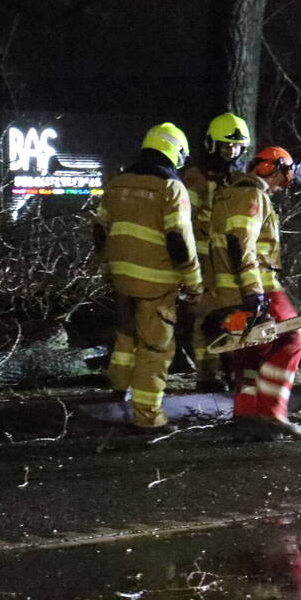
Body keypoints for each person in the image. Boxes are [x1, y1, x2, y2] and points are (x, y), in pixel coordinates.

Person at [95, 122, 203, 433]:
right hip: (156, 281)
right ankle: (147, 416)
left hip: (121, 276)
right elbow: (179, 240)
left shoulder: (117, 183)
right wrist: (194, 282)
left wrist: (108, 267)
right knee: (155, 349)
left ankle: (119, 391)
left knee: (127, 336)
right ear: (174, 152)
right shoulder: (170, 187)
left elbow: (100, 230)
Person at [209, 145, 301, 440]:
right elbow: (243, 245)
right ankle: (271, 411)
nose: (285, 180)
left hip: (227, 289)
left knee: (251, 351)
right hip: (259, 285)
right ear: (270, 168)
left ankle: (246, 413)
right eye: (284, 172)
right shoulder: (252, 195)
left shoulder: (226, 195)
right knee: (293, 338)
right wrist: (255, 291)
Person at [183, 112, 251, 392]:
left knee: (236, 317)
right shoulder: (195, 177)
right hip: (203, 262)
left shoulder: (241, 179)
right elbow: (185, 219)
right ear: (212, 144)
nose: (231, 151)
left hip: (231, 261)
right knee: (205, 320)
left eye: (236, 147)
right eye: (226, 146)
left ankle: (234, 369)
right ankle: (207, 376)